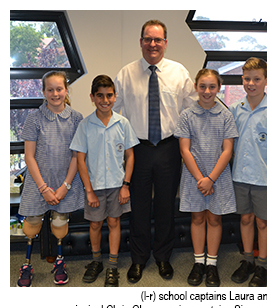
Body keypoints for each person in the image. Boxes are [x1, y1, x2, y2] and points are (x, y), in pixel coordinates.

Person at [113, 19, 197, 283]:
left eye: (157, 39)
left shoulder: (179, 72)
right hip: (137, 149)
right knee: (138, 207)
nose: (152, 44)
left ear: (165, 43)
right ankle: (138, 259)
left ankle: (162, 257)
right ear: (141, 42)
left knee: (164, 206)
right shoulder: (125, 74)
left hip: (170, 148)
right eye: (148, 39)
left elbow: (191, 109)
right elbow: (114, 113)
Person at [70, 75, 139, 287]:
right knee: (95, 224)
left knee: (114, 222)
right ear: (92, 97)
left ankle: (112, 265)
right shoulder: (85, 125)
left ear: (115, 97)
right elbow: (80, 160)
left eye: (109, 95)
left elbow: (130, 156)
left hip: (118, 186)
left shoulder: (123, 123)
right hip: (95, 186)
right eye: (100, 95)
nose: (105, 100)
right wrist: (88, 191)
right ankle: (96, 260)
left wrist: (126, 185)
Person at [17, 71, 84, 287]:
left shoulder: (76, 118)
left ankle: (59, 263)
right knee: (32, 224)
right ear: (43, 92)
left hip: (66, 182)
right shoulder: (34, 118)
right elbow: (29, 156)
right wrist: (44, 188)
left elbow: (77, 155)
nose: (55, 93)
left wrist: (65, 186)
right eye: (50, 90)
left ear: (66, 90)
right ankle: (26, 265)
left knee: (59, 222)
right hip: (38, 183)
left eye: (59, 89)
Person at [229, 57, 267, 287]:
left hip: (264, 178)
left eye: (256, 79)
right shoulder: (236, 109)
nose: (251, 83)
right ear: (242, 80)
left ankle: (262, 265)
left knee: (264, 222)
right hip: (240, 176)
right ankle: (247, 260)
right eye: (247, 79)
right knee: (245, 219)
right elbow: (231, 141)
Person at [174, 69, 238, 287]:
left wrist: (210, 178)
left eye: (212, 87)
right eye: (203, 86)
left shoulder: (226, 115)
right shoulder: (186, 116)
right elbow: (185, 150)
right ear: (195, 87)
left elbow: (227, 150)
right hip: (194, 177)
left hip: (218, 176)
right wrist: (201, 179)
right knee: (197, 219)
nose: (207, 91)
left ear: (218, 88)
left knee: (214, 219)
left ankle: (211, 264)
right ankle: (198, 262)